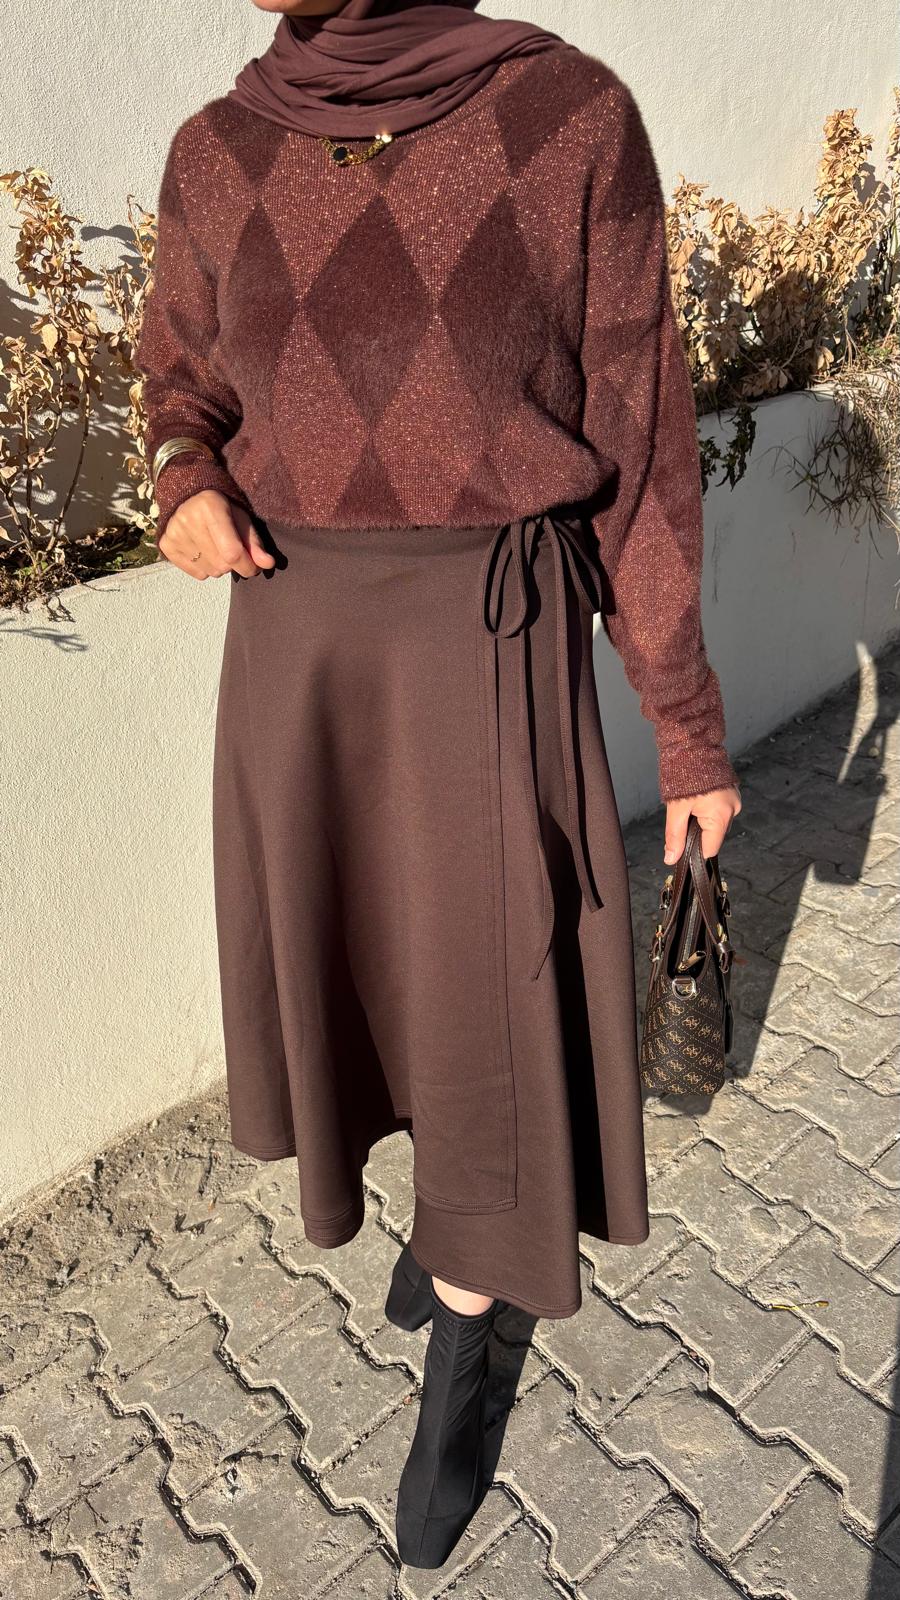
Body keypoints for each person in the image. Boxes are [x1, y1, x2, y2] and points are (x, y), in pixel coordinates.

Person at [135, 0, 742, 1569]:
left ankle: (471, 1339)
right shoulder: (219, 149)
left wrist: (684, 726)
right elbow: (181, 373)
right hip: (297, 649)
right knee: (367, 979)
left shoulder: (568, 122)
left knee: (486, 1003)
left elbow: (641, 452)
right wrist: (183, 478)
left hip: (487, 635)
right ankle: (436, 1225)